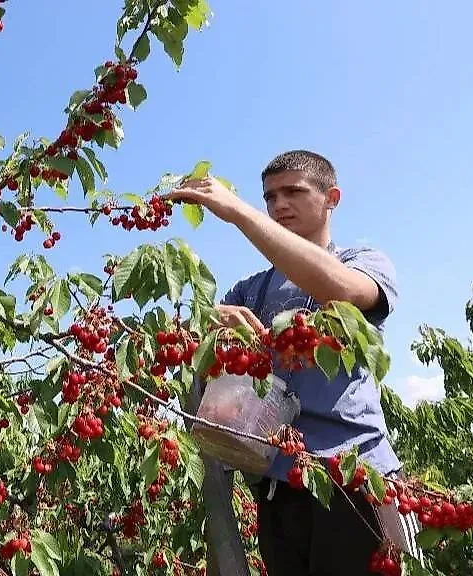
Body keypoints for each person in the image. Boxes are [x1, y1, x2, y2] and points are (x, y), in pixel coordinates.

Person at [165, 150, 423, 576]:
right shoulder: (252, 289)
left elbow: (342, 290)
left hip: (354, 479)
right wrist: (215, 318)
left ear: (331, 198)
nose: (278, 204)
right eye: (269, 197)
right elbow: (195, 342)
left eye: (293, 192)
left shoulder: (364, 262)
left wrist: (242, 215)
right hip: (279, 481)